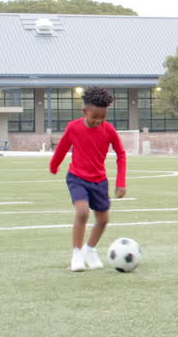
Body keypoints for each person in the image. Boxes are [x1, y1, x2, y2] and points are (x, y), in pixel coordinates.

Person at [49, 86, 127, 272]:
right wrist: (54, 165)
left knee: (103, 220)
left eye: (103, 117)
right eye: (95, 117)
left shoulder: (108, 130)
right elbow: (62, 148)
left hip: (99, 181)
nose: (99, 121)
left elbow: (121, 154)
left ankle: (89, 249)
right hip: (77, 177)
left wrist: (120, 182)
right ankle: (76, 254)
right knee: (82, 212)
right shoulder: (73, 127)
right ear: (85, 111)